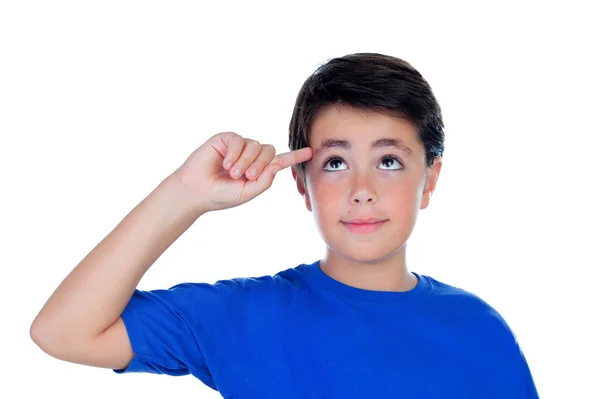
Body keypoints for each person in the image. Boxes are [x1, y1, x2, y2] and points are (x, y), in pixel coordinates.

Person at [30, 52, 539, 398]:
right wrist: (183, 195)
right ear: (302, 183)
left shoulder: (479, 330)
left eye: (389, 161)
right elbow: (63, 332)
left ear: (429, 180)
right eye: (336, 163)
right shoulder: (240, 313)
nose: (362, 188)